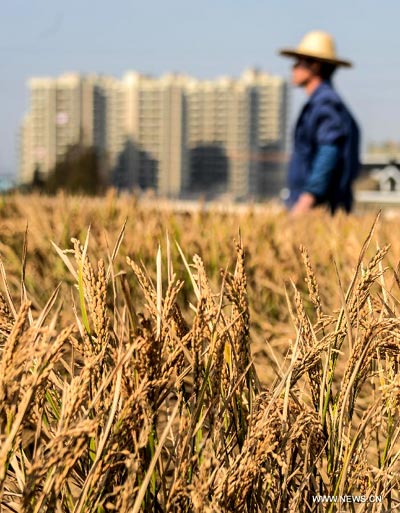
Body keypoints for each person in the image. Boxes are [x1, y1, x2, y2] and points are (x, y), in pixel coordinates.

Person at [279, 30, 360, 214]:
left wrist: (308, 199)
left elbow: (329, 152)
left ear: (314, 66)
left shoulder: (325, 104)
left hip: (318, 208)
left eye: (298, 63)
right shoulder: (323, 103)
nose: (293, 68)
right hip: (317, 205)